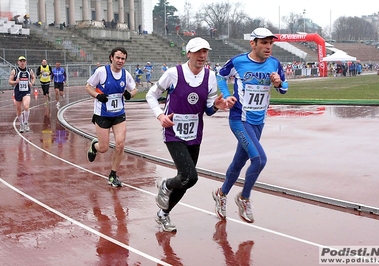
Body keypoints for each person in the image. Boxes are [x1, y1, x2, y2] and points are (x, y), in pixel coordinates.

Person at [146, 37, 229, 232]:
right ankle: (165, 185)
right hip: (173, 131)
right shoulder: (173, 74)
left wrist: (216, 106)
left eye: (205, 52)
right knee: (190, 177)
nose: (202, 56)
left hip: (194, 134)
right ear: (188, 53)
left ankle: (163, 214)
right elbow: (151, 94)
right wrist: (160, 115)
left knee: (185, 180)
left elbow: (208, 110)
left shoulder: (210, 77)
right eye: (198, 52)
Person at [212, 27, 289, 223]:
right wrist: (227, 94)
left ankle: (221, 194)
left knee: (239, 162)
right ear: (253, 43)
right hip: (239, 119)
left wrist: (279, 84)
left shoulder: (274, 64)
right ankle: (244, 198)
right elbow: (221, 75)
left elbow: (284, 88)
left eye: (271, 43)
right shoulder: (238, 61)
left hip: (258, 121)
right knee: (259, 159)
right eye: (264, 42)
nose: (268, 46)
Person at [85, 47, 138, 187]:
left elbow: (134, 89)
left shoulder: (125, 74)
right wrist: (98, 95)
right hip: (102, 114)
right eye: (118, 58)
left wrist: (129, 94)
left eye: (123, 59)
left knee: (120, 144)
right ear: (111, 58)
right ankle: (94, 146)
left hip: (119, 114)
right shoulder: (102, 72)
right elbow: (88, 86)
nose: (120, 61)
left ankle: (113, 175)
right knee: (104, 148)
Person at [9, 56, 36, 133]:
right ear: (18, 62)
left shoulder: (29, 70)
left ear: (26, 62)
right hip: (18, 92)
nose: (22, 62)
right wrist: (15, 82)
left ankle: (26, 122)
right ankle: (21, 124)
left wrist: (32, 83)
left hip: (26, 91)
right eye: (21, 61)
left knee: (26, 106)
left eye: (23, 61)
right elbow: (10, 81)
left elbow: (33, 77)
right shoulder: (14, 71)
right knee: (19, 110)